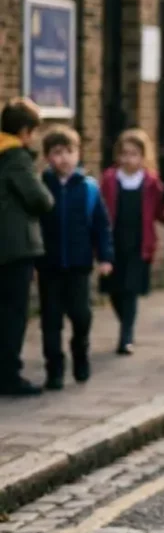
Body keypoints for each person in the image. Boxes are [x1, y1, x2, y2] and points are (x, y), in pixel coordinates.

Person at [37, 125, 113, 390]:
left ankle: (80, 355)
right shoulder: (42, 186)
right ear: (47, 157)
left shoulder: (89, 188)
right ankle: (54, 370)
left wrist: (105, 257)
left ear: (78, 154)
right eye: (57, 153)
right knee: (51, 320)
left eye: (69, 151)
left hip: (80, 266)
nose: (64, 158)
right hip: (50, 266)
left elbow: (101, 226)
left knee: (81, 316)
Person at [0, 98, 54, 396]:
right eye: (33, 131)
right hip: (15, 247)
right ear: (24, 131)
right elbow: (40, 200)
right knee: (13, 313)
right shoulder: (16, 158)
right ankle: (9, 375)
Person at [99, 129, 164, 356]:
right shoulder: (109, 179)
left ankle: (126, 335)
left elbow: (158, 210)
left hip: (139, 243)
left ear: (143, 156)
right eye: (124, 153)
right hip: (114, 241)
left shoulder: (151, 183)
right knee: (114, 290)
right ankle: (125, 324)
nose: (128, 159)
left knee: (130, 289)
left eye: (134, 154)